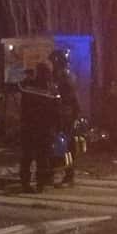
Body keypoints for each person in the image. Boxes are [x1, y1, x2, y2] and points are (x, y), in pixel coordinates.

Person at [18, 62, 60, 192]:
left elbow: (24, 105)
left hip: (30, 127)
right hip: (42, 128)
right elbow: (56, 109)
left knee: (28, 156)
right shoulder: (51, 89)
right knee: (41, 157)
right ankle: (40, 183)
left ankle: (27, 183)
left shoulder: (28, 86)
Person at [49, 49, 80, 186]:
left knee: (65, 146)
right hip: (64, 114)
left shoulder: (63, 77)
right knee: (62, 145)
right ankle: (59, 173)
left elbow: (67, 97)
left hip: (63, 115)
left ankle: (68, 175)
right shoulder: (66, 75)